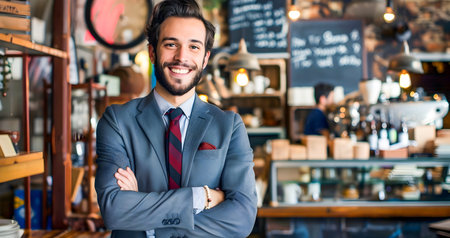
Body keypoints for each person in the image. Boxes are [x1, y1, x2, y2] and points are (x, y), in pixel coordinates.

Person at [94, 0, 257, 237]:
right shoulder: (118, 121)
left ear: (204, 59)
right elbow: (114, 211)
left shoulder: (229, 126)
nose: (181, 57)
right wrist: (202, 196)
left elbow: (241, 219)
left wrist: (146, 217)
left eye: (194, 47)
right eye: (171, 44)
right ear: (152, 52)